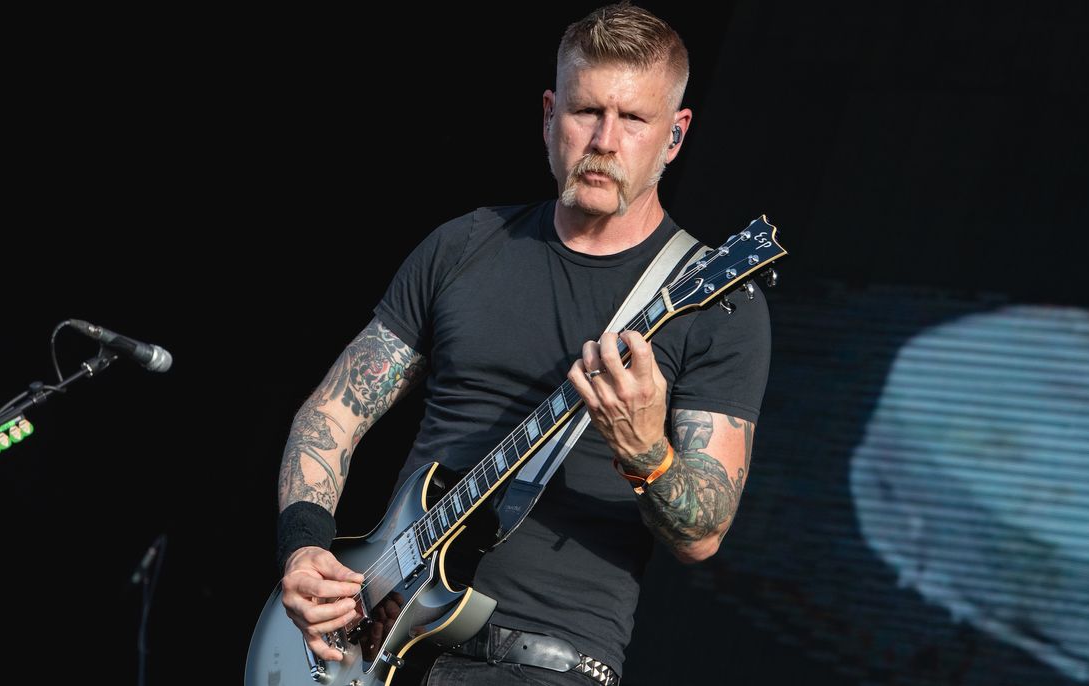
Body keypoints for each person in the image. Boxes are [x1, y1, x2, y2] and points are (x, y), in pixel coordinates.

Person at [274, 3, 771, 684]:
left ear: (676, 135)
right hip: (376, 642)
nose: (604, 139)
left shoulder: (717, 306)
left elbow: (703, 532)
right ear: (548, 114)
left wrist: (646, 453)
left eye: (634, 120)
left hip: (545, 662)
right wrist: (304, 551)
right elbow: (331, 413)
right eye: (585, 111)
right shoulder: (464, 246)